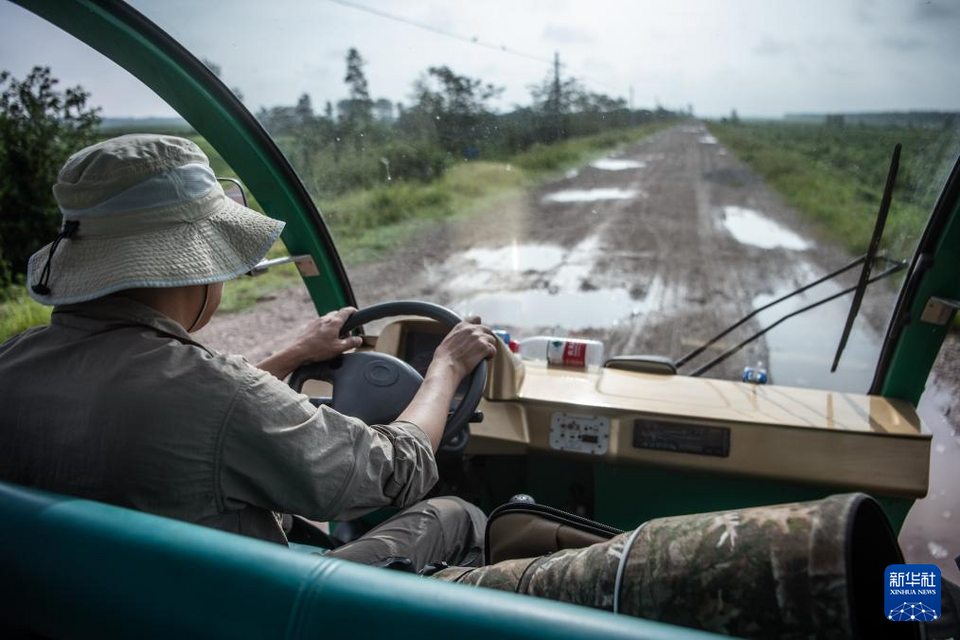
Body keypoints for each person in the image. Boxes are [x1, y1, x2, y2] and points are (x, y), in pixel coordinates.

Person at [0, 134, 497, 571]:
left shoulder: (13, 361)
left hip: (86, 606)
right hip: (240, 614)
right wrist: (446, 367)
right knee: (457, 516)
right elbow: (394, 470)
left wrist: (291, 355)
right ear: (194, 266)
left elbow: (188, 413)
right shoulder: (220, 395)